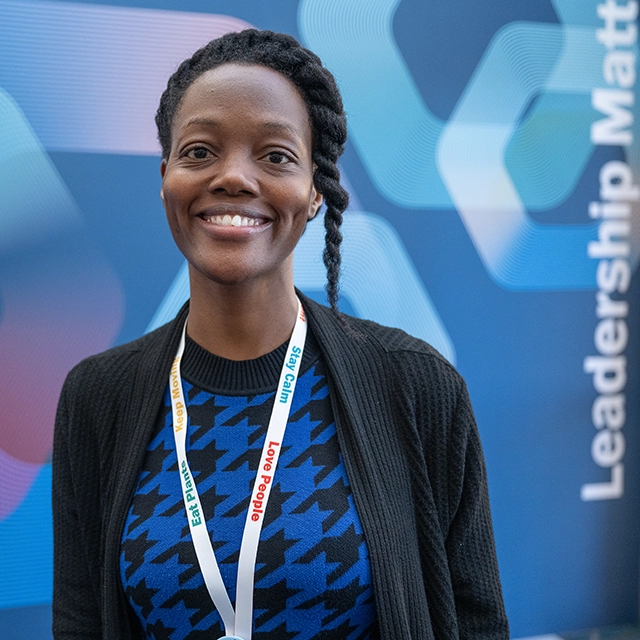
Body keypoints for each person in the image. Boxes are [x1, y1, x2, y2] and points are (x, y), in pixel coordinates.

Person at [52, 29, 509, 640]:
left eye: (275, 156)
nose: (233, 177)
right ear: (165, 179)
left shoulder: (417, 386)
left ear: (315, 190)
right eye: (200, 152)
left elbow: (476, 622)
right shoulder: (97, 397)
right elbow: (80, 622)